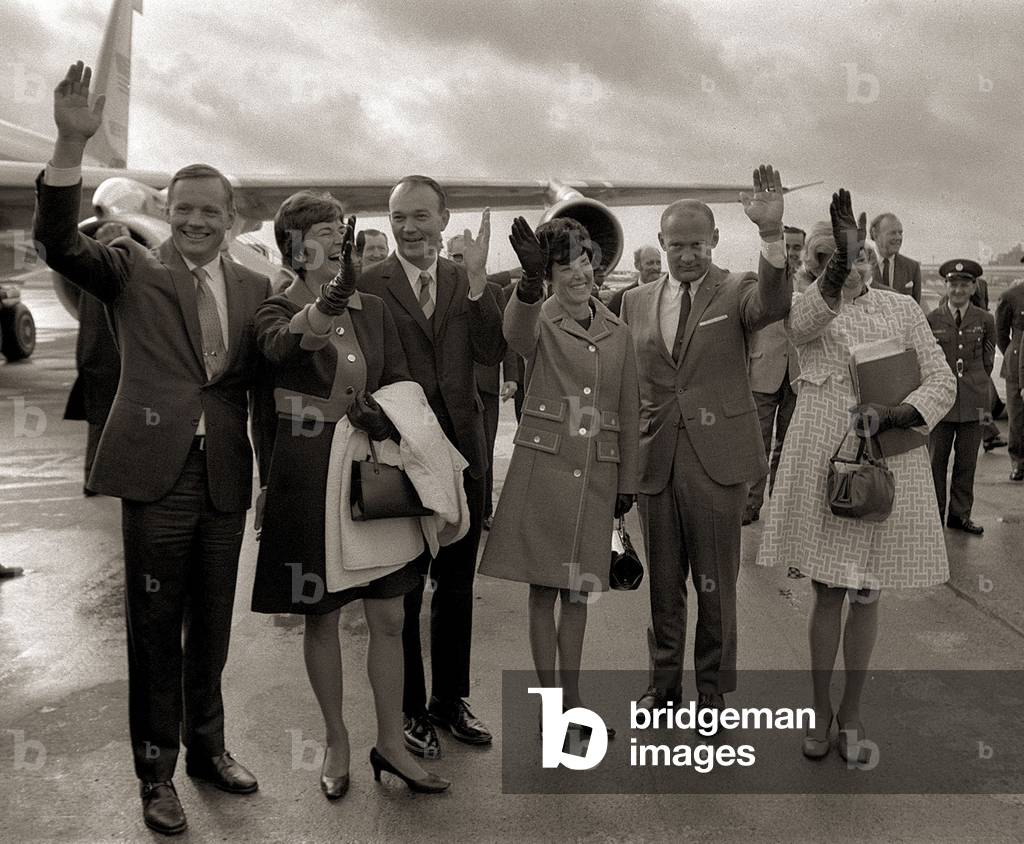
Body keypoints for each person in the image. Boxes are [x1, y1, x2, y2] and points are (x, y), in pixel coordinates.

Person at [34, 62, 270, 835]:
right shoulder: (132, 269)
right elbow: (59, 244)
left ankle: (209, 751)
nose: (197, 221)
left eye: (211, 211)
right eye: (185, 209)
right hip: (157, 476)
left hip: (225, 477)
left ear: (231, 218)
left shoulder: (252, 288)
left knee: (213, 629)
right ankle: (155, 775)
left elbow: (265, 380)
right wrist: (71, 145)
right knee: (152, 627)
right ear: (168, 211)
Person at [251, 191, 449, 796]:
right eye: (324, 232)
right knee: (323, 616)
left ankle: (390, 743)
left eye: (342, 229)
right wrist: (325, 305)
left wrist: (388, 418)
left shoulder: (374, 310)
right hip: (308, 476)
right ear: (295, 245)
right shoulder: (275, 308)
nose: (340, 239)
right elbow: (283, 349)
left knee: (391, 614)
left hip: (372, 470)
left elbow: (397, 379)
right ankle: (336, 741)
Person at [756, 190, 955, 762]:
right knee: (829, 589)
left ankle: (853, 710)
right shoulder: (806, 307)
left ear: (872, 260)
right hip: (826, 457)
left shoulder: (903, 309)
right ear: (813, 266)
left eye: (850, 257)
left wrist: (897, 413)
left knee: (868, 592)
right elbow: (806, 324)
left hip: (888, 455)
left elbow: (940, 381)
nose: (841, 267)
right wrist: (832, 269)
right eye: (822, 258)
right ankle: (819, 711)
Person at [619, 164, 790, 716]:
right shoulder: (635, 302)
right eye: (676, 245)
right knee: (663, 586)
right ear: (661, 245)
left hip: (717, 462)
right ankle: (662, 685)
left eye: (696, 244)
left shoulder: (737, 288)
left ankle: (712, 692)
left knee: (715, 584)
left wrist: (771, 235)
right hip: (657, 460)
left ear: (715, 240)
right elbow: (629, 382)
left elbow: (773, 305)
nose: (686, 254)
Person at [358, 176, 506, 758]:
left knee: (457, 586)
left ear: (444, 219)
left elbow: (492, 353)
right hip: (403, 458)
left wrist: (478, 288)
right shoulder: (370, 285)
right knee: (406, 591)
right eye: (399, 217)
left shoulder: (465, 281)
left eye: (421, 216)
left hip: (464, 454)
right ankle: (411, 709)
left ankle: (450, 699)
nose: (410, 228)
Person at [479, 217, 639, 732]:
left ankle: (574, 707)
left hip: (597, 474)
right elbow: (516, 336)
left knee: (579, 594)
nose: (580, 272)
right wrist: (526, 285)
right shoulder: (538, 317)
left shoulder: (619, 331)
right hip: (545, 468)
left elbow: (631, 410)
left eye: (586, 260)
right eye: (566, 263)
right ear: (548, 273)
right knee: (544, 592)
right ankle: (554, 713)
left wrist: (628, 482)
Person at [446, 234, 519, 530]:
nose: (461, 263)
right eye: (456, 257)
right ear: (448, 257)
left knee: (484, 449)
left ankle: (483, 510)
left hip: (485, 386)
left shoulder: (492, 291)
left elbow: (507, 337)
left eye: (466, 256)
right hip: (452, 385)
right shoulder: (441, 291)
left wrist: (511, 377)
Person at [927, 259, 994, 536]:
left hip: (974, 401)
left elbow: (988, 361)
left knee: (967, 462)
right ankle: (933, 517)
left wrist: (973, 383)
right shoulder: (932, 319)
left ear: (973, 286)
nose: (958, 290)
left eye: (964, 284)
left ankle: (960, 515)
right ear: (945, 286)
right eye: (953, 284)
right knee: (936, 462)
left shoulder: (985, 319)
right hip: (941, 402)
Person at [744, 225, 805, 524]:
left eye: (797, 248)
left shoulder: (809, 286)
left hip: (796, 375)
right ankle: (750, 504)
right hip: (762, 371)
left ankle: (780, 507)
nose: (791, 253)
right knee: (757, 443)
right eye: (787, 246)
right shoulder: (759, 282)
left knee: (788, 445)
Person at [63, 220, 125, 495]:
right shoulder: (120, 279)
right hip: (113, 360)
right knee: (117, 423)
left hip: (92, 359)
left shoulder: (87, 280)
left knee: (98, 424)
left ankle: (92, 479)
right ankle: (105, 479)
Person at [995, 280, 1024, 480]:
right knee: (1017, 418)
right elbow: (1001, 333)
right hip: (1016, 364)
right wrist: (1012, 353)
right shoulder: (1010, 296)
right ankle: (1019, 463)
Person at [869, 212, 921, 304]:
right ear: (875, 234)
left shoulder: (912, 267)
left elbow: (915, 308)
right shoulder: (862, 265)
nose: (898, 237)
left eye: (900, 233)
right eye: (892, 233)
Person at [607, 244, 662, 316]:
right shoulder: (622, 298)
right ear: (637, 265)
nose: (655, 267)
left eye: (658, 263)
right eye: (650, 263)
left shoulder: (670, 294)